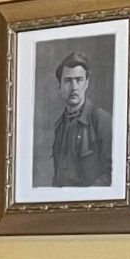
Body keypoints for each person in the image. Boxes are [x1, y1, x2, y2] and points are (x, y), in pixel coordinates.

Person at [50, 51, 112, 187]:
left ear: (87, 84)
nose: (74, 87)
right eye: (67, 81)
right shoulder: (60, 125)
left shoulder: (102, 120)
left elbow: (112, 176)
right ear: (59, 86)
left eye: (79, 80)